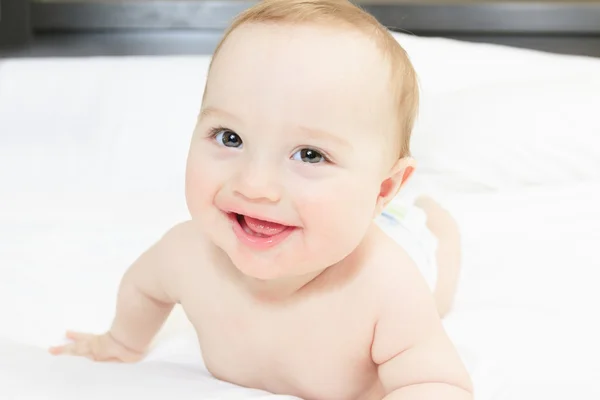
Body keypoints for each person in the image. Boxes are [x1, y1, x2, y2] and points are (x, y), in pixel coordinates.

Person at [50, 1, 473, 398]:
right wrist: (121, 342)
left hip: (406, 238)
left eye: (310, 154)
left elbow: (438, 382)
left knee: (435, 241)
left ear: (383, 188)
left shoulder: (386, 284)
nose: (254, 186)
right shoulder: (186, 252)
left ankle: (427, 213)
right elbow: (143, 289)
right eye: (230, 138)